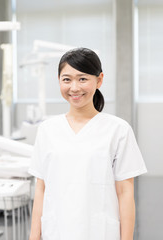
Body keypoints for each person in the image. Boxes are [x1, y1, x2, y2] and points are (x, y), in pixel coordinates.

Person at [28, 47, 147, 240]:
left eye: (82, 79)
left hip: (99, 232)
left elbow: (125, 192)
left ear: (99, 80)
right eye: (67, 79)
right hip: (57, 230)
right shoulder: (47, 130)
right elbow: (41, 188)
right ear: (59, 81)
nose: (74, 87)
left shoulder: (118, 130)